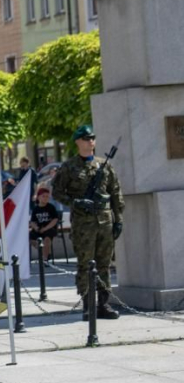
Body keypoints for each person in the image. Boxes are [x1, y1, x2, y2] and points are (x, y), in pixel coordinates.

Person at [53, 125, 124, 321]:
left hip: (105, 220)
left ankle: (103, 304)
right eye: (85, 138)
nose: (90, 141)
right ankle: (87, 304)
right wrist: (75, 202)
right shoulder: (69, 167)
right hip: (83, 223)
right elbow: (57, 192)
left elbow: (116, 193)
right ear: (77, 141)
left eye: (92, 137)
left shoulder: (104, 165)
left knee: (104, 264)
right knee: (86, 264)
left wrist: (118, 220)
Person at [29, 188, 59, 265]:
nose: (46, 198)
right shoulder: (36, 209)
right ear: (38, 197)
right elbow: (32, 221)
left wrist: (45, 228)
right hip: (39, 229)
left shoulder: (51, 207)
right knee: (29, 237)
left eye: (47, 197)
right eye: (43, 196)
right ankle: (45, 252)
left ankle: (45, 259)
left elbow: (55, 220)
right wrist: (36, 228)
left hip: (49, 228)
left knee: (47, 239)